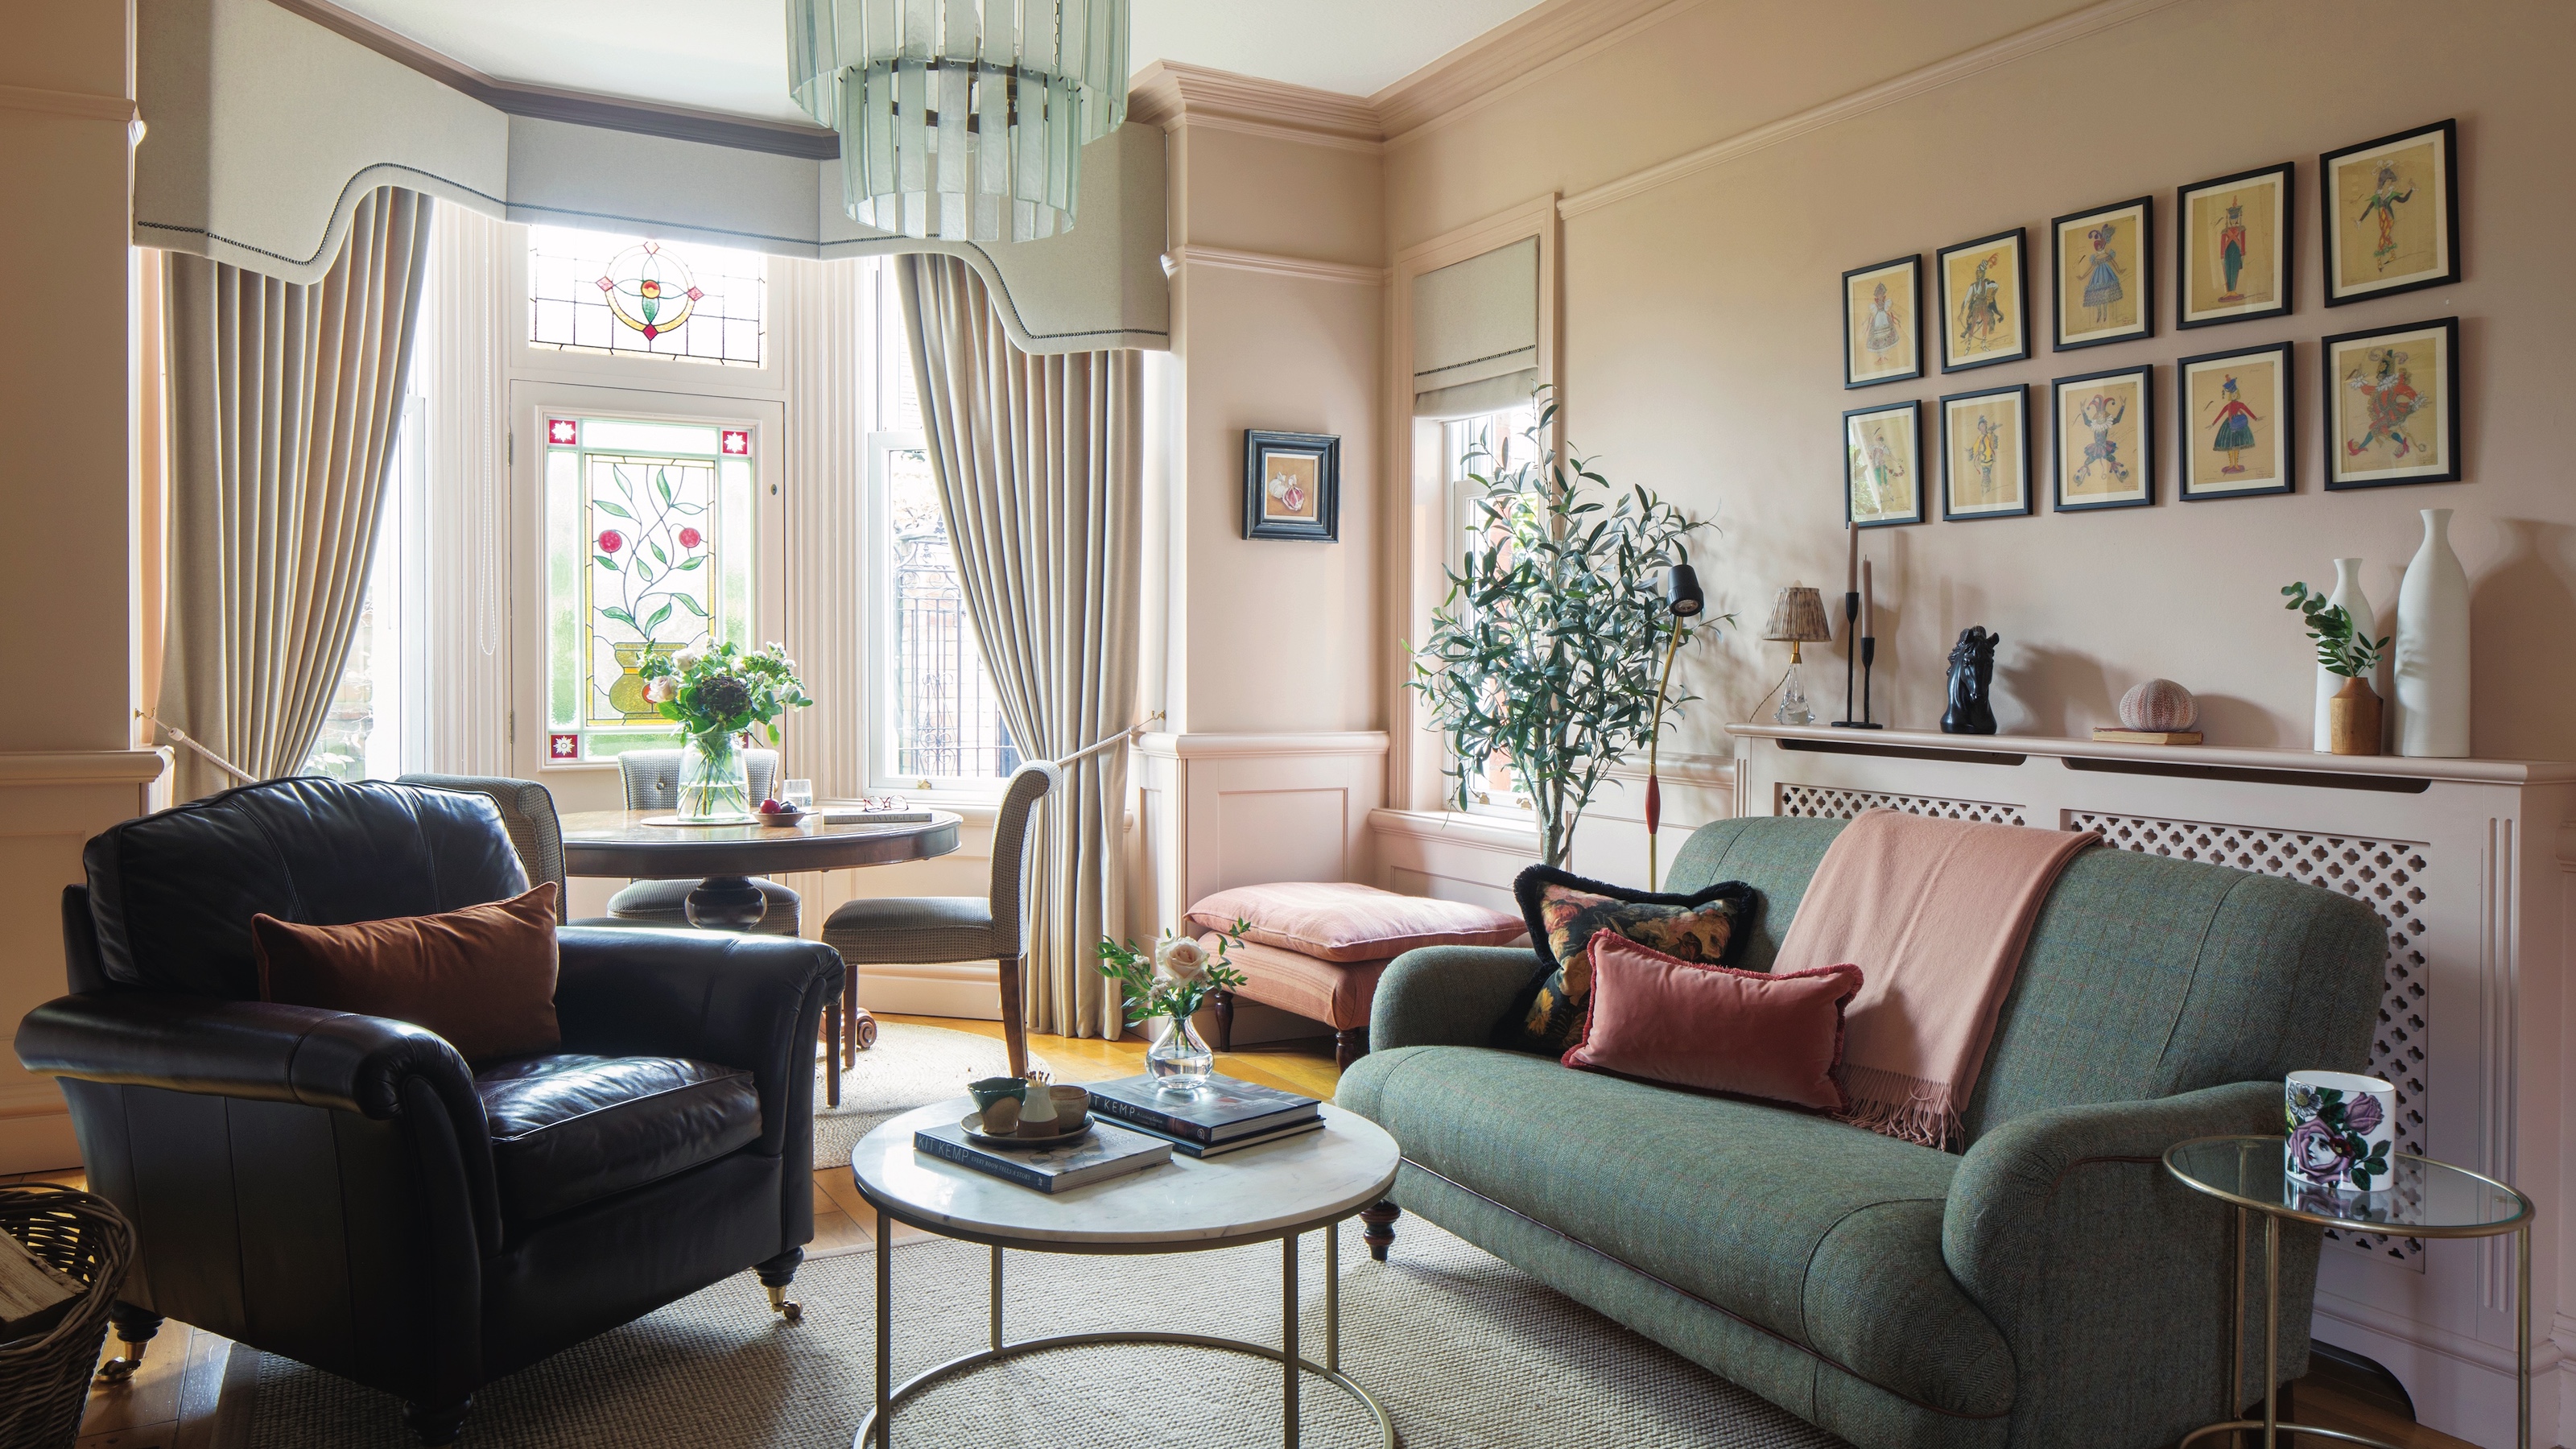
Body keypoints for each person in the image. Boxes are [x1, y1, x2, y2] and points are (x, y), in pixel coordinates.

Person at [2355, 159, 2414, 272]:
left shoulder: (2391, 194)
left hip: (2389, 218)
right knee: (2386, 237)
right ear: (2383, 181)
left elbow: (2403, 200)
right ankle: (2392, 255)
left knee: (2383, 237)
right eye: (2387, 180)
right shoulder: (2377, 197)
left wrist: (2411, 190)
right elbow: (2369, 208)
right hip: (2381, 219)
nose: (2390, 183)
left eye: (2391, 181)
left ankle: (2379, 262)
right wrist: (2360, 220)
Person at [2205, 374, 2260, 475]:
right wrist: (2213, 424)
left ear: (2237, 394)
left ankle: (2237, 464)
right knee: (2229, 447)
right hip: (2229, 425)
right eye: (2233, 394)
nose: (2234, 395)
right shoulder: (2228, 406)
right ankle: (2231, 464)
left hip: (2239, 425)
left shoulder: (2240, 404)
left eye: (2235, 394)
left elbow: (2247, 410)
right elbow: (2221, 414)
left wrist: (2255, 418)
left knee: (2237, 446)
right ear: (2230, 395)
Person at [1956, 253, 2005, 353]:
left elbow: (1996, 286)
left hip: (1984, 306)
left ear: (1983, 274)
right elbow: (1966, 299)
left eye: (1979, 272)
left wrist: (1991, 294)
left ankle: (1983, 344)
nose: (1977, 274)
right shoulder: (1973, 286)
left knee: (1986, 321)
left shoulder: (1986, 284)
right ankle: (1969, 345)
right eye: (1977, 272)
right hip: (1976, 307)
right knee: (1973, 323)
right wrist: (1961, 312)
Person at [2078, 221, 2124, 324]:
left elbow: (2114, 263)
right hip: (2097, 278)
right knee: (2098, 296)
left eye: (2099, 246)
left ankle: (2105, 315)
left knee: (2105, 298)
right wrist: (2082, 277)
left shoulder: (2106, 255)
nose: (2099, 248)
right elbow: (2090, 269)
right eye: (2097, 247)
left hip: (2107, 276)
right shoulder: (2097, 258)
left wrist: (2119, 271)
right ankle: (2099, 314)